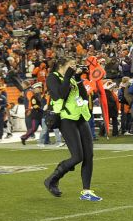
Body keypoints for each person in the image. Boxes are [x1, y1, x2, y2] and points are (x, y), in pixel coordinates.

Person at [43, 53, 101, 201]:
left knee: (89, 155)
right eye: (71, 65)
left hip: (81, 117)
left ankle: (86, 191)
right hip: (66, 119)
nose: (74, 67)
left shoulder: (72, 78)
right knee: (77, 157)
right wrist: (69, 76)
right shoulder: (52, 77)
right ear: (62, 66)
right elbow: (59, 95)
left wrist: (78, 79)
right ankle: (52, 178)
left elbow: (82, 95)